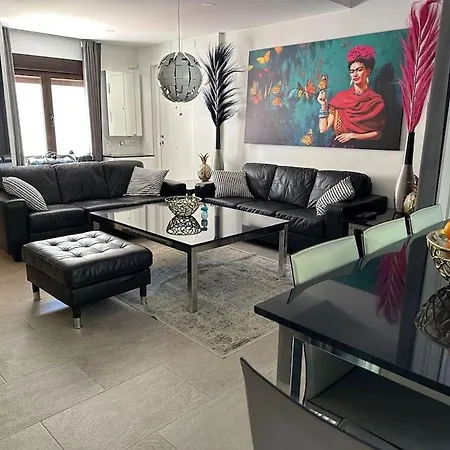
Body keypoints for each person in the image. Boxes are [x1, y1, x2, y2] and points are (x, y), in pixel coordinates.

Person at [317, 45, 385, 148]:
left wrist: (353, 135)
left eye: (359, 70)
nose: (355, 74)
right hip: (337, 148)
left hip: (363, 149)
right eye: (352, 71)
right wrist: (323, 105)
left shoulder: (375, 101)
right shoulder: (340, 98)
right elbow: (323, 129)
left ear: (368, 71)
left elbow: (377, 134)